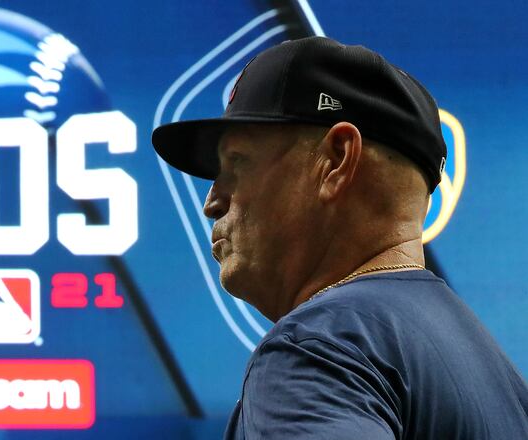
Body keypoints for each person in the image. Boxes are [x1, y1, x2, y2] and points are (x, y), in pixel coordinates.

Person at [152, 36, 528, 439]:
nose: (213, 200)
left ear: (336, 159)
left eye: (237, 163)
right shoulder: (496, 376)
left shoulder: (318, 348)